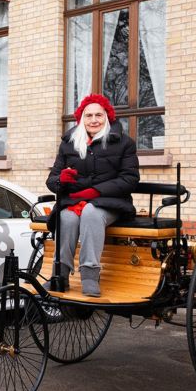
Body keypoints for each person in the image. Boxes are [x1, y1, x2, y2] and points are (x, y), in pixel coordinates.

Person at [45, 94, 139, 296]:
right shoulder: (68, 143)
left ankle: (89, 275)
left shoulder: (124, 143)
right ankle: (60, 275)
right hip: (74, 202)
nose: (94, 120)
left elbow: (130, 179)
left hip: (110, 203)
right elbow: (51, 181)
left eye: (99, 115)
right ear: (81, 118)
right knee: (66, 217)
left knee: (90, 212)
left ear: (107, 117)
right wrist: (62, 179)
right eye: (88, 116)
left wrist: (96, 191)